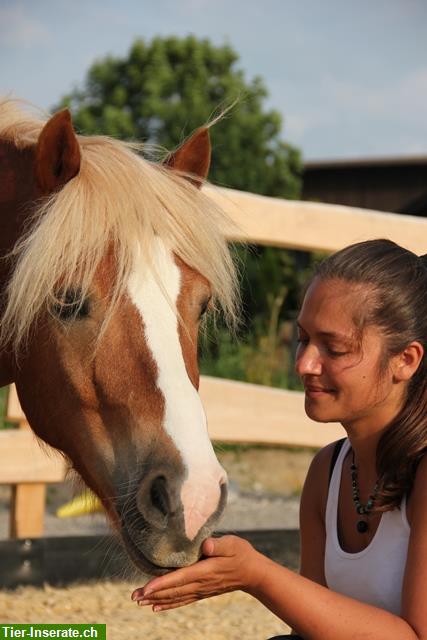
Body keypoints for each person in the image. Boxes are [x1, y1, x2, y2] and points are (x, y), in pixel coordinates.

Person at [131, 239, 427, 640]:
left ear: (405, 360)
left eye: (334, 348)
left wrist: (258, 575)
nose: (304, 364)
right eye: (303, 339)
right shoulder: (328, 472)